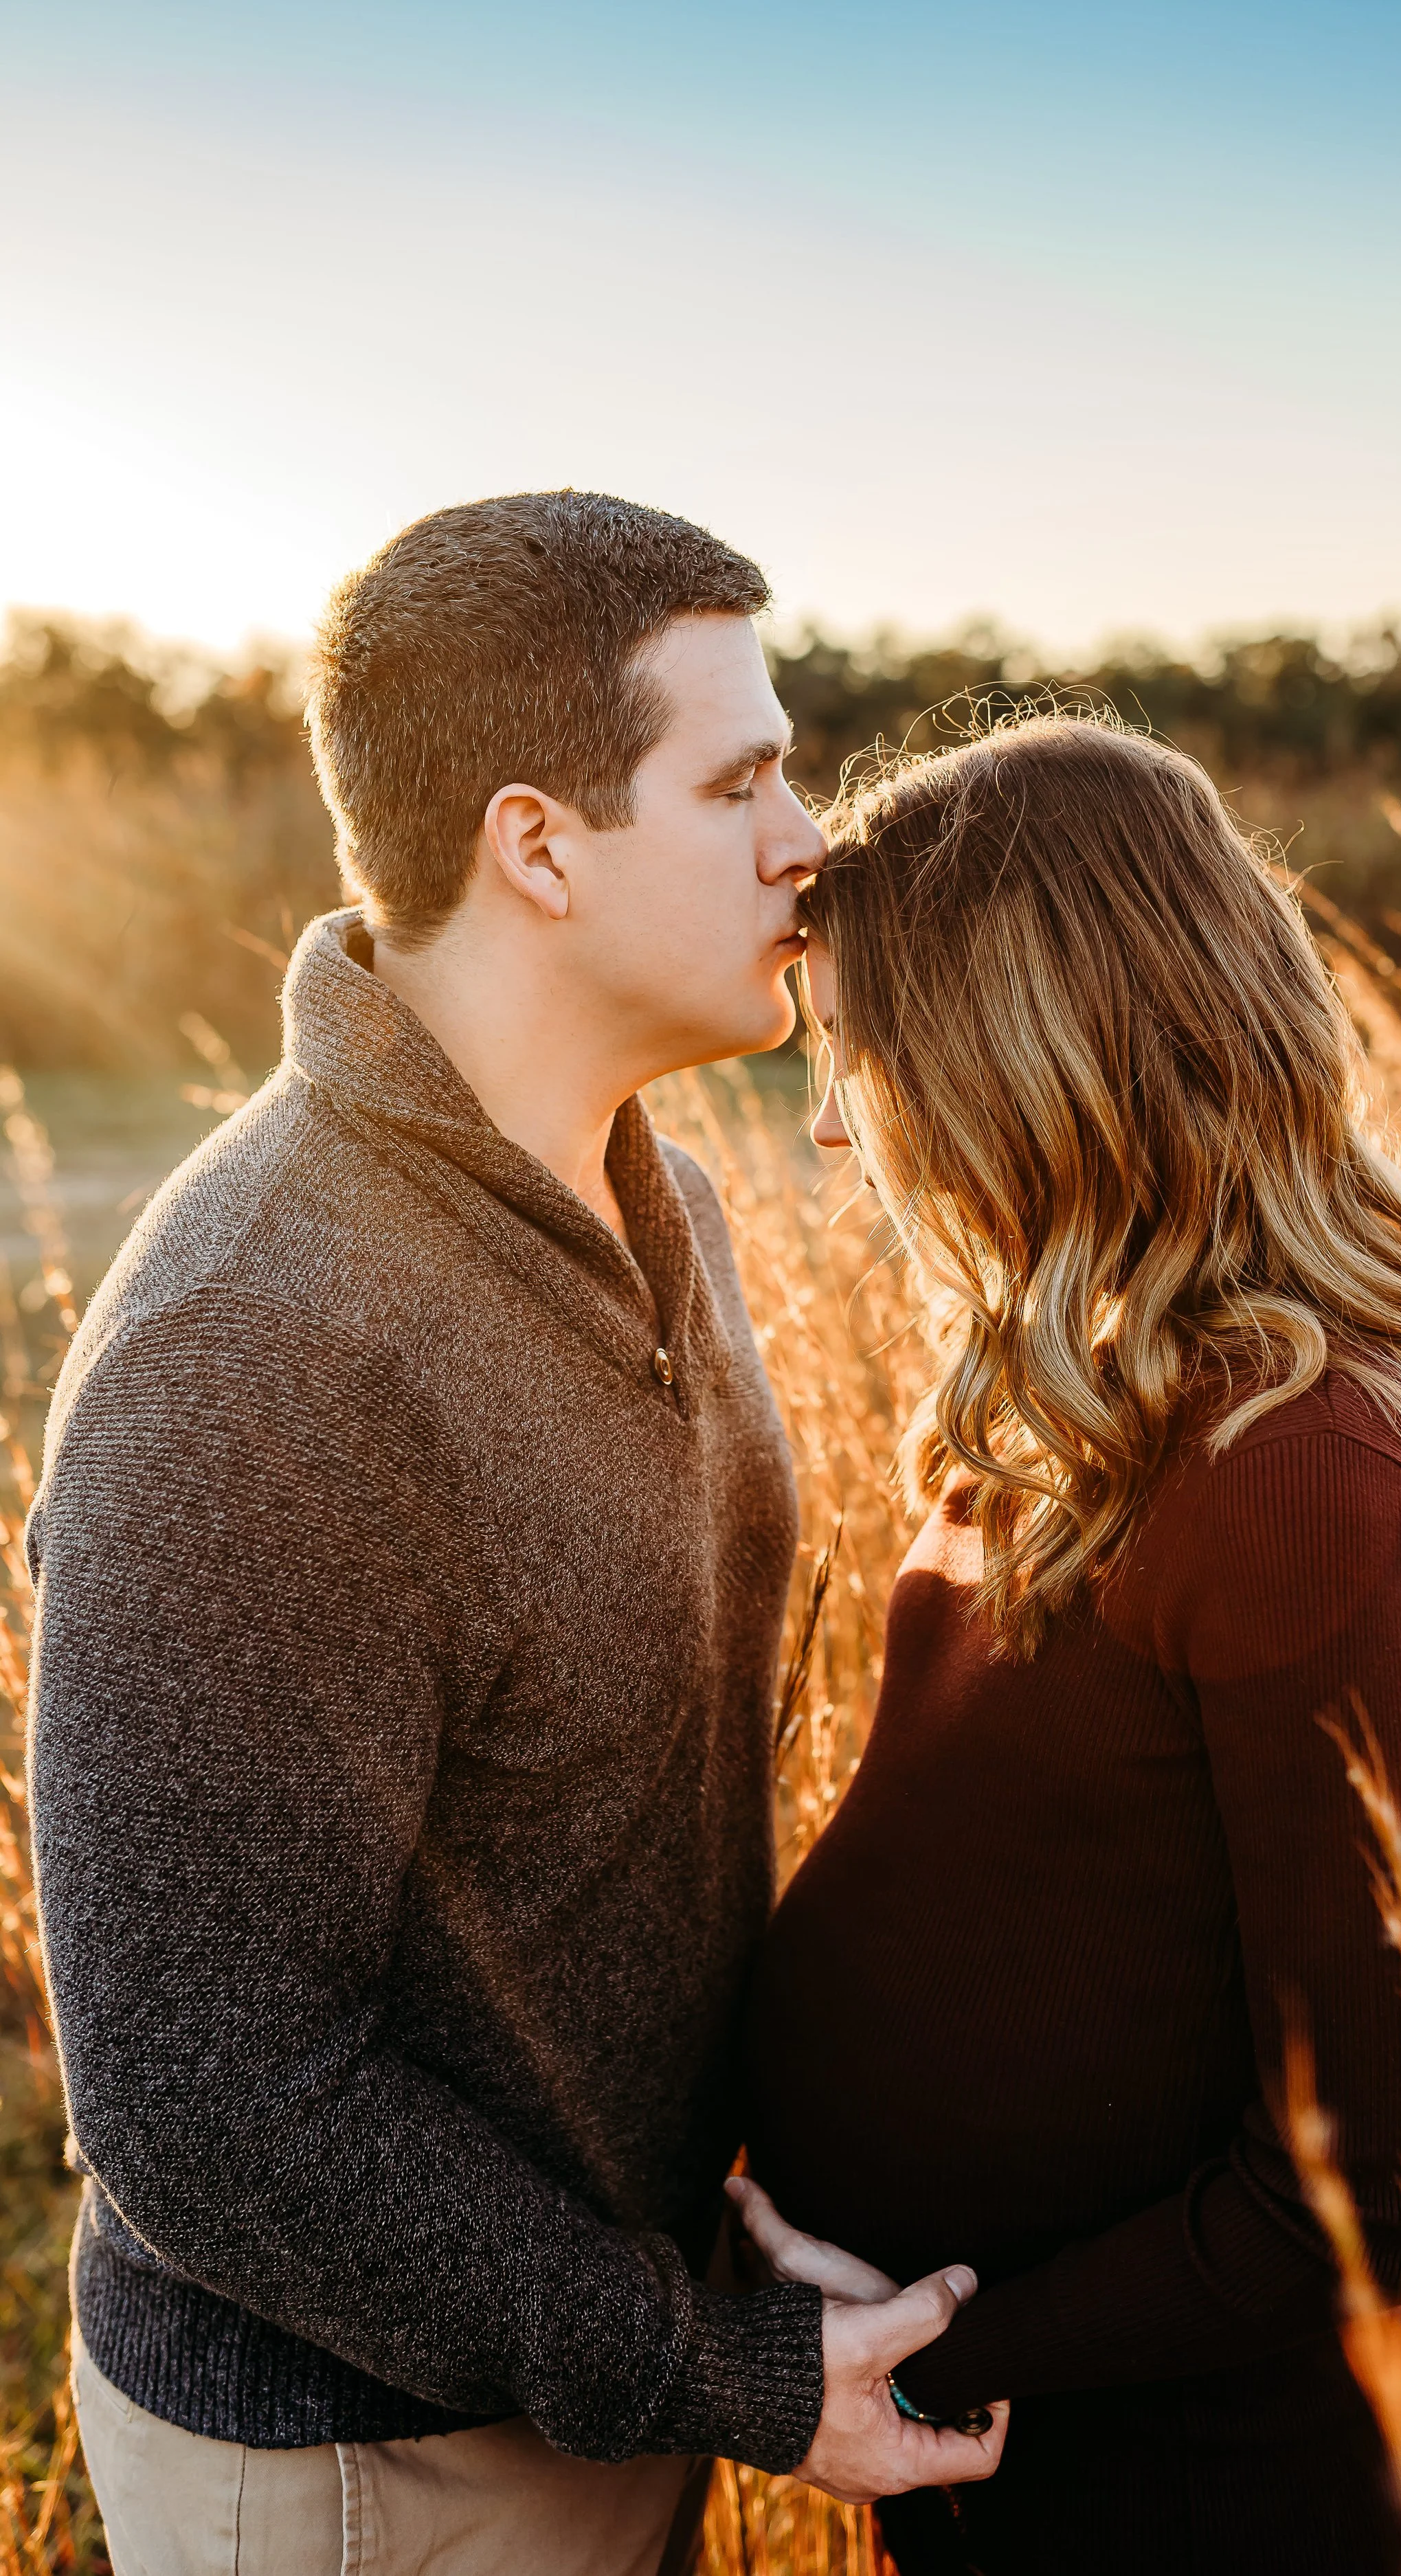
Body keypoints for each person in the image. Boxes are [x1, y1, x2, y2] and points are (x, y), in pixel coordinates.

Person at [25, 490, 1005, 2576]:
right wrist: (707, 2367)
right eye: (739, 779)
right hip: (369, 2466)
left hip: (590, 2368)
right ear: (537, 844)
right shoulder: (260, 1347)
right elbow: (210, 2105)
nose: (808, 835)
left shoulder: (658, 1196)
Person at [734, 712, 1401, 2573]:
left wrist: (930, 2359)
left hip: (1171, 2486)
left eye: (860, 1056)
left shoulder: (1292, 1471)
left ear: (1025, 1051)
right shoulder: (1079, 1408)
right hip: (1019, 2454)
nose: (834, 1121)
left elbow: (1373, 2178)